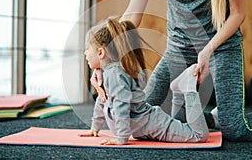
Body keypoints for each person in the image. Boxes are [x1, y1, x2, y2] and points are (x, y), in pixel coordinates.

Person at [91, 0, 252, 141]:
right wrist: (103, 61)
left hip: (221, 46)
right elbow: (131, 18)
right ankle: (212, 119)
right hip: (179, 47)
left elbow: (238, 13)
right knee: (139, 116)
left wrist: (208, 49)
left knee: (236, 130)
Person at [79, 17, 209, 145]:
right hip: (148, 125)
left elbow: (121, 104)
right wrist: (95, 127)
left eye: (87, 48)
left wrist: (121, 137)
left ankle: (188, 89)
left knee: (198, 135)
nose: (85, 53)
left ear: (101, 52)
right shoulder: (109, 73)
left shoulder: (114, 74)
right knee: (181, 127)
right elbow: (102, 100)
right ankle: (179, 90)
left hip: (152, 123)